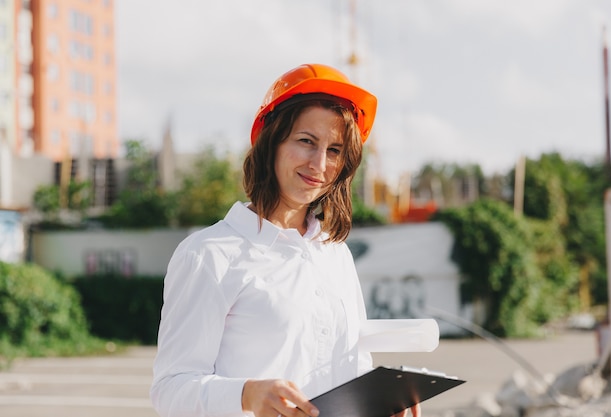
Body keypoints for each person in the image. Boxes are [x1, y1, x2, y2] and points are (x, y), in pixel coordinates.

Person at [150, 63, 420, 417]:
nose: (320, 164)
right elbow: (170, 390)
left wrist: (379, 405)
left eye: (335, 150)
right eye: (306, 142)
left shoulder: (334, 253)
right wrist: (246, 395)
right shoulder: (209, 255)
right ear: (271, 142)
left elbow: (349, 365)